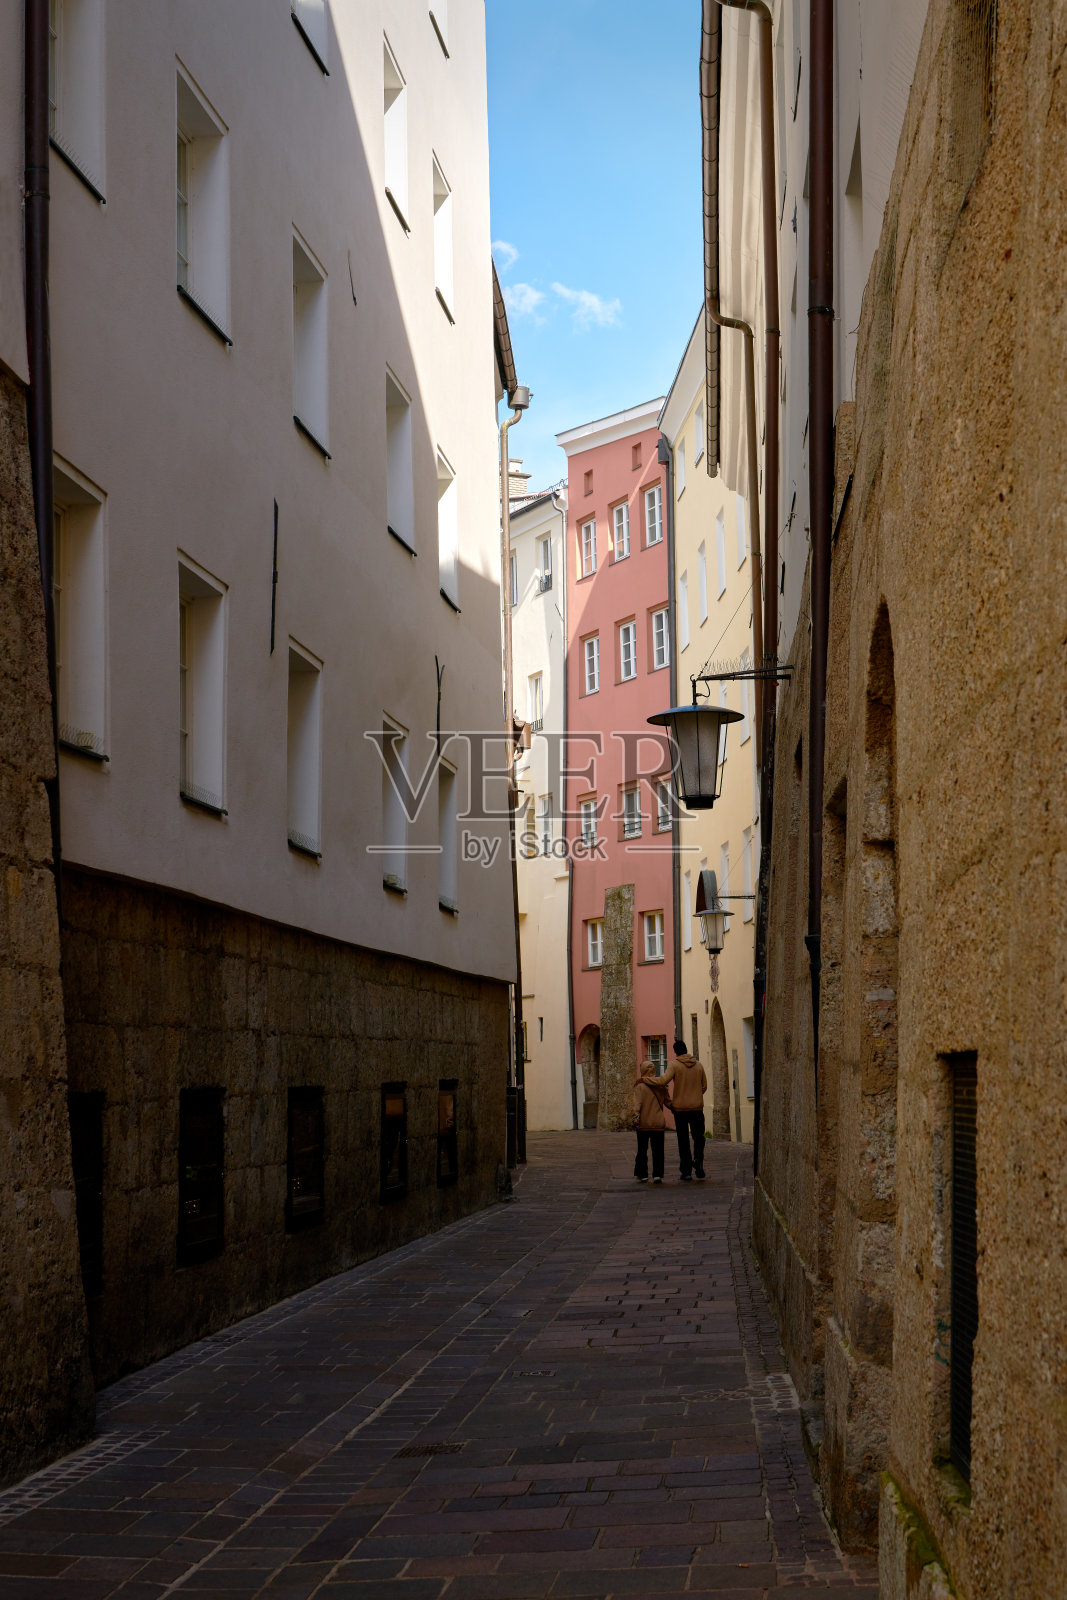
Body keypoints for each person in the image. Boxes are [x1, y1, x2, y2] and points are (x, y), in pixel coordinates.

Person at [651, 1039, 708, 1181]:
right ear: (686, 1048)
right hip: (696, 1108)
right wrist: (694, 1093)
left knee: (683, 1140)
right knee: (699, 1137)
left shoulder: (674, 1065)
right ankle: (698, 1160)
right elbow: (704, 1087)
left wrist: (647, 1080)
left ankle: (686, 1171)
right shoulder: (699, 1065)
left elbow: (663, 1081)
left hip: (680, 1109)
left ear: (675, 1051)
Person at [633, 1061, 668, 1184]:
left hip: (644, 1123)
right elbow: (668, 1102)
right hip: (658, 1123)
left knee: (642, 1149)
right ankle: (657, 1174)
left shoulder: (640, 1086)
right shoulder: (661, 1085)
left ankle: (643, 1174)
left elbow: (637, 1104)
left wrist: (635, 1117)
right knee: (658, 1150)